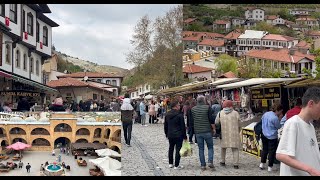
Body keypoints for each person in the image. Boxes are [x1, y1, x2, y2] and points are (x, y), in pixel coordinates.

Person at [276, 87, 320, 176]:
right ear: (311, 103)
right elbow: (281, 155)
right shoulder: (293, 123)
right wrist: (310, 170)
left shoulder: (310, 126)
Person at [190, 95, 216, 171]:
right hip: (207, 130)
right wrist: (214, 129)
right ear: (204, 100)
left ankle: (203, 165)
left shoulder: (193, 109)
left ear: (197, 101)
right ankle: (210, 161)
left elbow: (191, 121)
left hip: (198, 132)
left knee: (201, 149)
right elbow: (211, 119)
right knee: (210, 147)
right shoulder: (208, 108)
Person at [215, 100, 241, 169]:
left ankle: (222, 161)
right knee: (235, 149)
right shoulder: (236, 113)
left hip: (224, 133)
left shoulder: (220, 113)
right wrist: (238, 130)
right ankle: (236, 164)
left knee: (223, 148)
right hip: (234, 133)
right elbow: (239, 124)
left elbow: (216, 122)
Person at [259, 103, 283, 172]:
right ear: (278, 110)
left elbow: (262, 121)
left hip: (264, 134)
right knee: (271, 152)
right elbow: (278, 126)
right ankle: (270, 166)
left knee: (265, 149)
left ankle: (262, 163)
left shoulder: (266, 114)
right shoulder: (275, 118)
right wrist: (280, 119)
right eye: (281, 111)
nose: (281, 113)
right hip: (272, 136)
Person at [164, 100, 187, 170]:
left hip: (170, 134)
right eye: (179, 105)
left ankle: (170, 163)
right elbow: (183, 127)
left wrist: (166, 133)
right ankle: (176, 165)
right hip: (178, 134)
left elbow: (165, 125)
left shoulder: (167, 114)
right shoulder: (179, 115)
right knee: (178, 149)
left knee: (171, 148)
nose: (180, 106)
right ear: (176, 106)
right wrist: (185, 136)